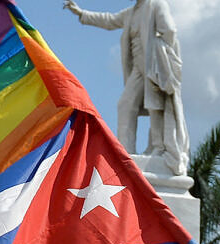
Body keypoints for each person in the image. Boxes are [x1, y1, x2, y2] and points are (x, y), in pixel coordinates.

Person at [62, 0, 189, 175]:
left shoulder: (157, 4)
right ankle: (125, 151)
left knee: (155, 105)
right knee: (126, 105)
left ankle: (158, 147)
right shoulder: (131, 12)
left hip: (153, 63)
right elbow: (109, 20)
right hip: (138, 67)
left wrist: (162, 56)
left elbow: (169, 30)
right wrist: (81, 13)